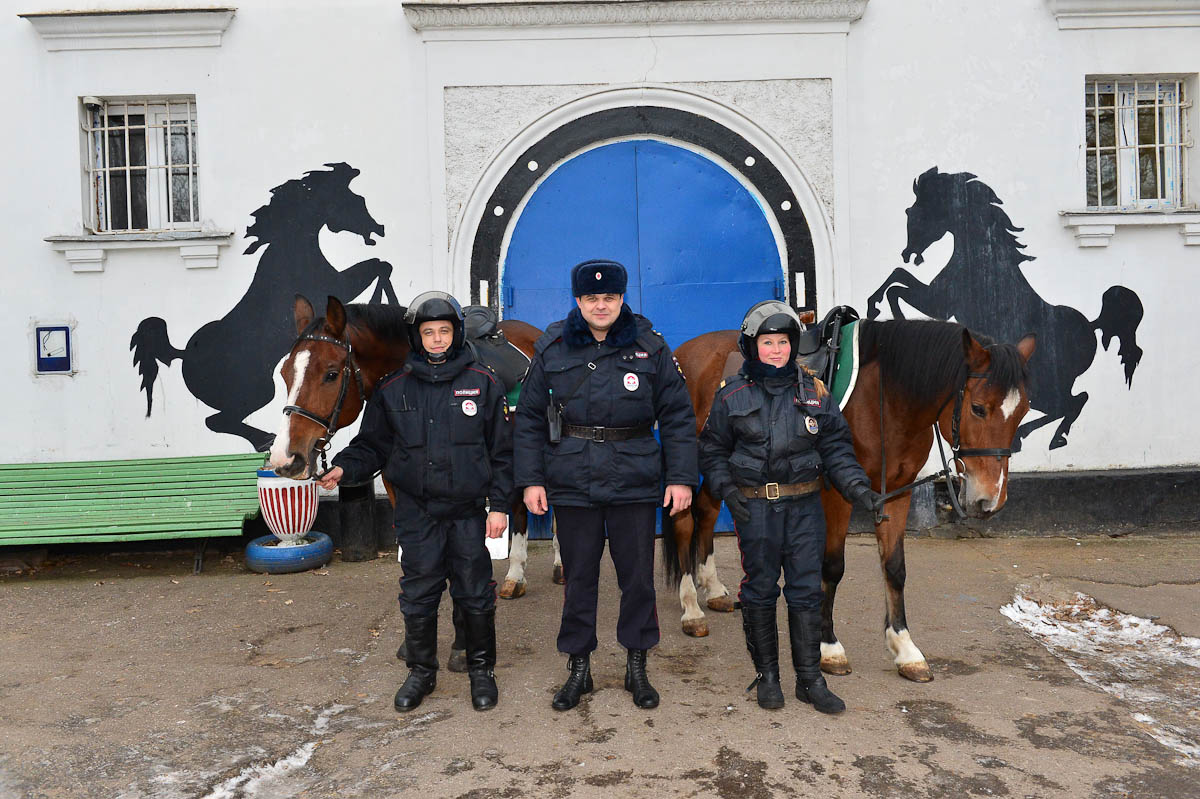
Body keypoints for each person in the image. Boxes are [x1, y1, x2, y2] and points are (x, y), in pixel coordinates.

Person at [514, 259, 697, 711]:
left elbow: (677, 416)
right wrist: (530, 480)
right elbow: (529, 420)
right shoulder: (553, 348)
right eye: (592, 298)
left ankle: (637, 665)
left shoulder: (649, 347)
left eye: (609, 298)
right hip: (572, 478)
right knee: (579, 579)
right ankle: (579, 668)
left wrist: (680, 478)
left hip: (633, 477)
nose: (601, 305)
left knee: (637, 580)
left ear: (621, 299)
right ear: (578, 300)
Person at [317, 291, 512, 713]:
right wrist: (345, 468)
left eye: (444, 331)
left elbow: (502, 453)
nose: (437, 339)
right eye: (429, 332)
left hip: (466, 512)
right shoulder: (393, 389)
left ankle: (482, 671)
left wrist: (500, 506)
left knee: (475, 593)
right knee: (419, 593)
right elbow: (371, 444)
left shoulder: (483, 383)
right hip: (417, 513)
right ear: (416, 337)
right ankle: (422, 673)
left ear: (456, 334)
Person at [698, 301, 883, 714]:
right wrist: (726, 491)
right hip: (755, 509)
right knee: (761, 591)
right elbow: (711, 451)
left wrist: (859, 489)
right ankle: (767, 677)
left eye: (783, 342)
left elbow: (836, 448)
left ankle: (810, 680)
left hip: (804, 507)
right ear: (753, 346)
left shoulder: (815, 393)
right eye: (768, 342)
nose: (777, 350)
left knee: (804, 591)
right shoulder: (732, 396)